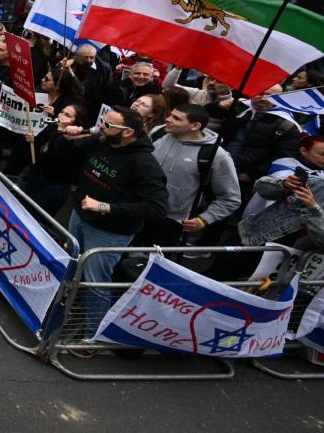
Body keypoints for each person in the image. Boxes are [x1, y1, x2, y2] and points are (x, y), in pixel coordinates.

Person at [62, 106, 169, 332]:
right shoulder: (102, 141)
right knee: (70, 266)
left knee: (95, 282)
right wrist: (66, 133)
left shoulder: (144, 164)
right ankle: (67, 312)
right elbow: (69, 149)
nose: (102, 126)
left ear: (128, 133)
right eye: (103, 121)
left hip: (109, 232)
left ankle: (93, 334)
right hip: (79, 216)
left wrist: (106, 207)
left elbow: (156, 208)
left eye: (109, 125)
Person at [140, 104, 241, 247]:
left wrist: (204, 219)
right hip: (135, 208)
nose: (168, 119)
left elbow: (231, 198)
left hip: (169, 222)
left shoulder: (217, 155)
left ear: (195, 126)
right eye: (170, 115)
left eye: (176, 118)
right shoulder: (159, 132)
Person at [240, 134, 324, 252]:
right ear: (303, 151)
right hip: (262, 226)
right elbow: (262, 187)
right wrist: (284, 184)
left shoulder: (321, 174)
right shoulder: (284, 164)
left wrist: (313, 206)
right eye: (322, 154)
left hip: (297, 236)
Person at [221, 83, 301, 199]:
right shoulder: (239, 106)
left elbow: (284, 156)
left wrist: (251, 175)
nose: (263, 99)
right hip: (219, 165)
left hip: (243, 176)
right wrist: (218, 106)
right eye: (261, 93)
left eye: (270, 96)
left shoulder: (286, 124)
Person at [24, 102, 88, 217]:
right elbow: (41, 148)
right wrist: (33, 139)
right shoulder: (52, 126)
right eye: (62, 112)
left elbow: (55, 157)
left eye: (67, 115)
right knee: (24, 209)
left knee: (37, 218)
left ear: (75, 122)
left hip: (53, 187)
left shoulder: (75, 140)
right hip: (36, 176)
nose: (61, 115)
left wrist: (61, 132)